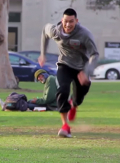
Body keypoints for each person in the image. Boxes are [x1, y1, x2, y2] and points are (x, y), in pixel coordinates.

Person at [38, 8, 99, 138]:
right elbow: (44, 31)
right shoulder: (56, 31)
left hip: (81, 69)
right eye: (66, 21)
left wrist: (86, 71)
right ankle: (65, 126)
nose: (68, 25)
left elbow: (95, 54)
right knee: (62, 91)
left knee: (79, 96)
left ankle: (74, 104)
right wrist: (43, 54)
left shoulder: (84, 34)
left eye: (71, 21)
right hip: (64, 65)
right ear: (62, 20)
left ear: (76, 21)